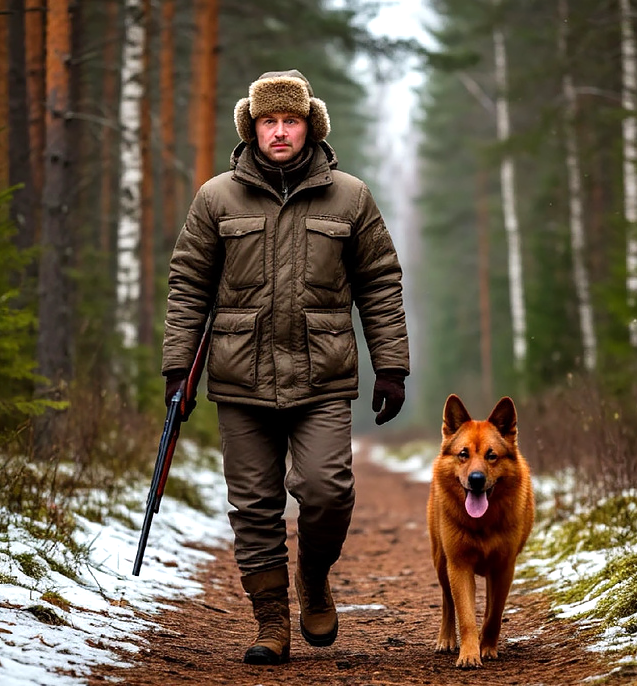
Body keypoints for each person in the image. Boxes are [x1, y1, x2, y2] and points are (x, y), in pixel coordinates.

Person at [161, 69, 410, 665]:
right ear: (252, 127)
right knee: (253, 505)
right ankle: (270, 622)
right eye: (268, 121)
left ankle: (315, 576)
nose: (279, 131)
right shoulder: (216, 197)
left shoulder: (350, 196)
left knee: (327, 490)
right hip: (238, 376)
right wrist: (178, 371)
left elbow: (380, 283)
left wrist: (392, 366)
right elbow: (188, 284)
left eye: (290, 121)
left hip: (322, 374)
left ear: (309, 126)